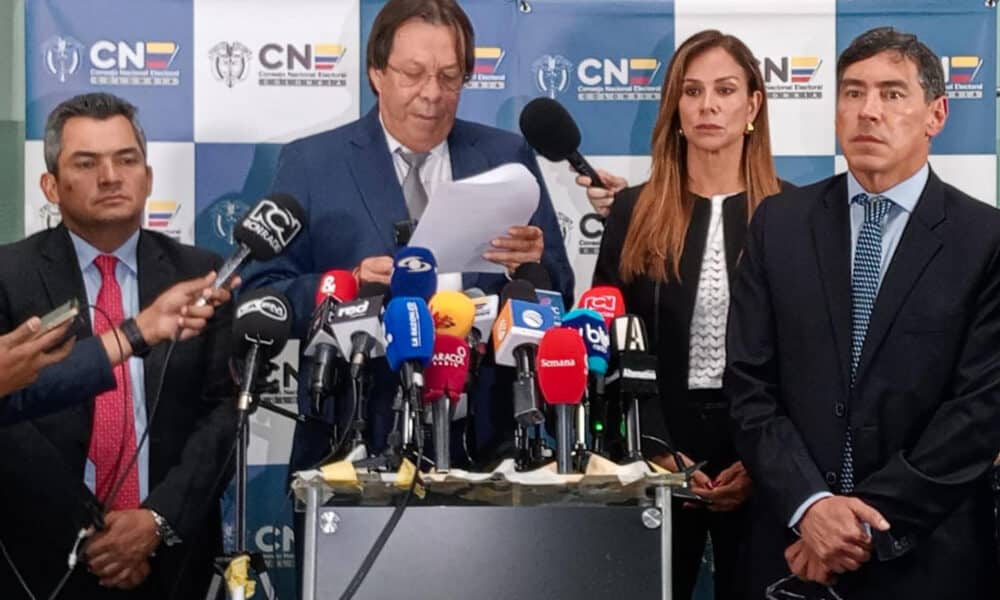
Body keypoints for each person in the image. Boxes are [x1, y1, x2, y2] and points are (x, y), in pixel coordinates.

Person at [241, 0, 573, 474]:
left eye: (450, 76)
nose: (432, 93)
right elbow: (263, 295)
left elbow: (559, 293)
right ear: (376, 72)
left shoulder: (506, 157)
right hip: (352, 440)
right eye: (412, 73)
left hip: (488, 446)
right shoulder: (313, 164)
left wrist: (534, 268)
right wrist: (349, 285)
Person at [726, 27, 1000, 598]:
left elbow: (980, 410)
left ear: (937, 114)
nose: (867, 111)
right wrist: (810, 506)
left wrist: (857, 524)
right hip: (790, 548)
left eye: (892, 94)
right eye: (852, 93)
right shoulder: (779, 224)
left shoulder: (985, 239)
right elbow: (750, 385)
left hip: (927, 556)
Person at [0, 92, 238, 599]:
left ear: (148, 177)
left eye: (126, 160)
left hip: (171, 557)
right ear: (50, 185)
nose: (111, 177)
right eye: (86, 163)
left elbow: (224, 415)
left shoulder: (200, 274)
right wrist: (89, 532)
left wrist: (155, 521)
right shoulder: (7, 276)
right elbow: (7, 414)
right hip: (41, 559)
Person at [588, 30, 782, 599]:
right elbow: (607, 337)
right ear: (675, 107)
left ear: (752, 105)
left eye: (725, 90)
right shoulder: (633, 212)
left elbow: (805, 355)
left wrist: (759, 460)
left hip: (761, 453)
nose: (708, 105)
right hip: (655, 446)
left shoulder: (793, 216)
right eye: (692, 91)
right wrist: (653, 446)